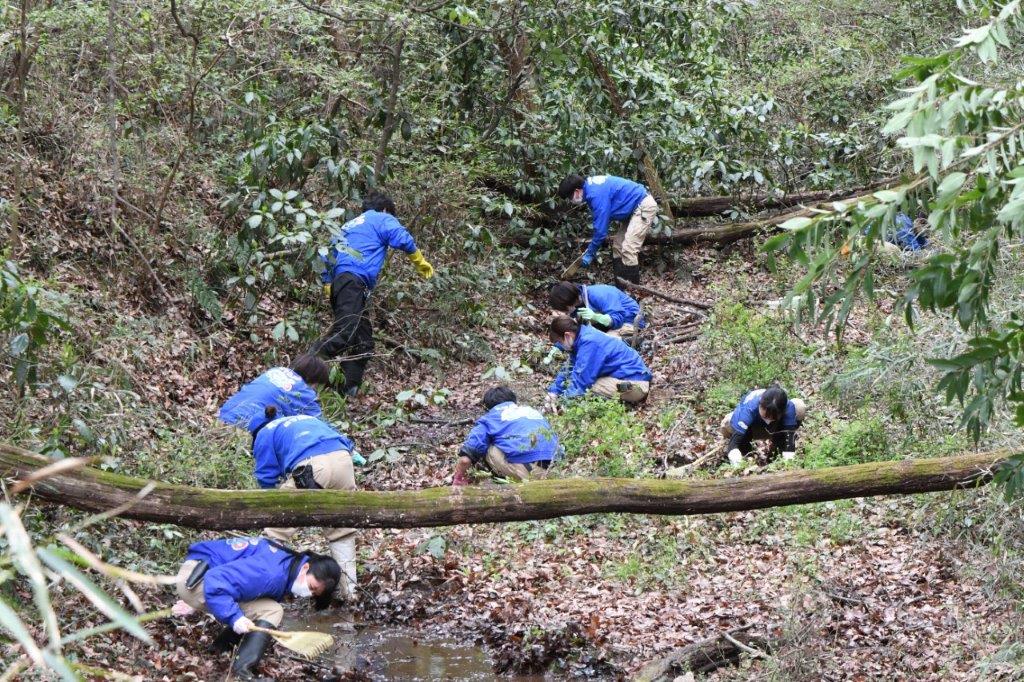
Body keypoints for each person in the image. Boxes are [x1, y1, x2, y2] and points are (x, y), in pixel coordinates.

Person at [309, 192, 434, 397]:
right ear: (385, 209)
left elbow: (328, 254)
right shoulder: (380, 217)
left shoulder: (348, 225)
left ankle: (344, 391)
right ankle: (301, 369)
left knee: (363, 342)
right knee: (344, 333)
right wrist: (420, 262)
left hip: (344, 283)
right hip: (353, 281)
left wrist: (328, 282)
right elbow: (402, 238)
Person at [170, 536, 340, 680]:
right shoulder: (270, 573)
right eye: (311, 587)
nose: (308, 594)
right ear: (305, 568)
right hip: (196, 579)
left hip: (204, 571)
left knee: (268, 607)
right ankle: (242, 672)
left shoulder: (287, 564)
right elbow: (216, 580)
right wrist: (234, 617)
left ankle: (221, 647)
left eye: (314, 594)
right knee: (272, 611)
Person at [252, 410, 359, 601]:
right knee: (341, 532)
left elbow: (266, 478)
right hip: (343, 459)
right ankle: (350, 594)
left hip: (312, 466)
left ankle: (258, 590)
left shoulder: (264, 432)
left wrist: (272, 509)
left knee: (275, 532)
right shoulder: (306, 418)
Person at [556, 173, 659, 286]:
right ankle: (621, 287)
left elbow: (600, 231)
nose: (571, 201)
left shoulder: (595, 194)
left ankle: (634, 293)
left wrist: (590, 253)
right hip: (632, 211)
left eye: (569, 197)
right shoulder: (591, 188)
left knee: (629, 248)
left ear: (577, 191)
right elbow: (602, 219)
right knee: (618, 247)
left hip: (643, 206)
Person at [452, 386, 561, 485]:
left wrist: (458, 479)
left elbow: (465, 459)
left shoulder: (489, 418)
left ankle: (503, 483)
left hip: (528, 472)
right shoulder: (532, 412)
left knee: (486, 445)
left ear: (487, 407)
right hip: (557, 468)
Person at [546, 316, 652, 409]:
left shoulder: (589, 343)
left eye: (560, 342)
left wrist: (563, 403)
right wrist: (554, 392)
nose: (561, 346)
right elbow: (569, 367)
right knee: (584, 383)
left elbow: (581, 382)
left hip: (635, 385)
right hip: (628, 378)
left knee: (590, 387)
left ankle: (611, 409)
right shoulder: (582, 336)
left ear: (567, 335)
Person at [218, 355, 330, 433]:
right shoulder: (304, 392)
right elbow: (322, 427)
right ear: (312, 378)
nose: (316, 389)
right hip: (245, 430)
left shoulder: (276, 371)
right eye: (317, 385)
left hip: (222, 419)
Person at [720, 387, 807, 466]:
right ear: (760, 405)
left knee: (799, 406)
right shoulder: (749, 409)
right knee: (727, 423)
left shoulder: (789, 408)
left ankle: (776, 450)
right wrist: (738, 462)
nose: (769, 417)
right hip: (751, 428)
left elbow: (789, 441)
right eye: (766, 414)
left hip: (775, 428)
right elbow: (734, 443)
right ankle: (746, 453)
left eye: (773, 415)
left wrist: (788, 461)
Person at [548, 280, 645, 338]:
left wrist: (596, 317)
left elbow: (618, 319)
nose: (563, 312)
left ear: (567, 303)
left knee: (604, 345)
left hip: (630, 322)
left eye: (562, 309)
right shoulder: (577, 306)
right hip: (610, 327)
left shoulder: (598, 293)